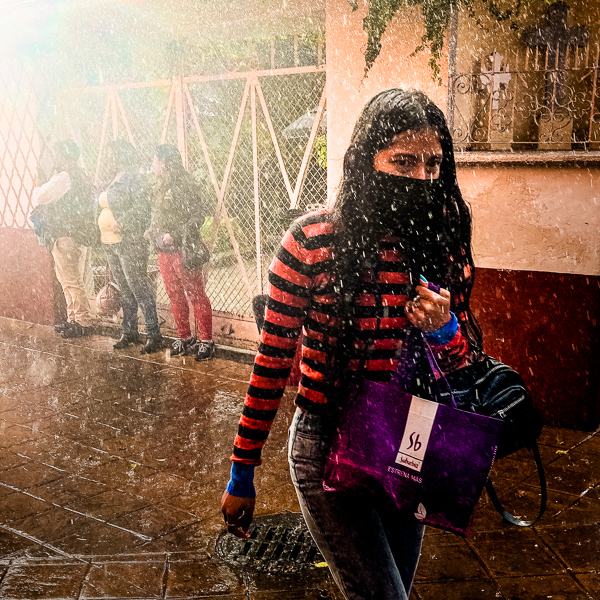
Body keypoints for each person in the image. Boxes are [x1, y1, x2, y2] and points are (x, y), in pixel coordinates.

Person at [221, 89, 484, 600]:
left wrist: (445, 330)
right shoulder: (312, 241)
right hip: (329, 444)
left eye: (432, 164)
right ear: (368, 160)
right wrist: (242, 468)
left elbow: (464, 370)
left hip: (410, 442)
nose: (420, 178)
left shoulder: (438, 245)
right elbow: (272, 362)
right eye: (403, 161)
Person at [148, 144, 214, 361]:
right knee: (174, 295)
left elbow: (198, 216)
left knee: (195, 293)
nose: (153, 165)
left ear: (165, 162)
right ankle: (184, 337)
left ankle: (206, 341)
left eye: (155, 160)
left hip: (183, 250)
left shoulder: (185, 185)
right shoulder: (159, 185)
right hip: (163, 250)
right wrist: (153, 231)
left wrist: (175, 234)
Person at [97, 139, 163, 354]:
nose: (107, 158)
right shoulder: (111, 179)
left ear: (120, 155)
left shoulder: (135, 178)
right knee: (124, 288)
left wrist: (123, 221)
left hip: (129, 242)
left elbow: (142, 208)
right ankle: (130, 330)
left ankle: (153, 334)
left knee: (138, 286)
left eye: (111, 154)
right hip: (110, 242)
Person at [30, 140, 96, 338]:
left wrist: (37, 188)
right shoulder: (80, 175)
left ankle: (82, 321)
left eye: (58, 155)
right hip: (75, 234)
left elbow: (41, 197)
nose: (55, 159)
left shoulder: (65, 177)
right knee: (68, 279)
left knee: (71, 280)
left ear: (64, 156)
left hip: (65, 235)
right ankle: (74, 319)